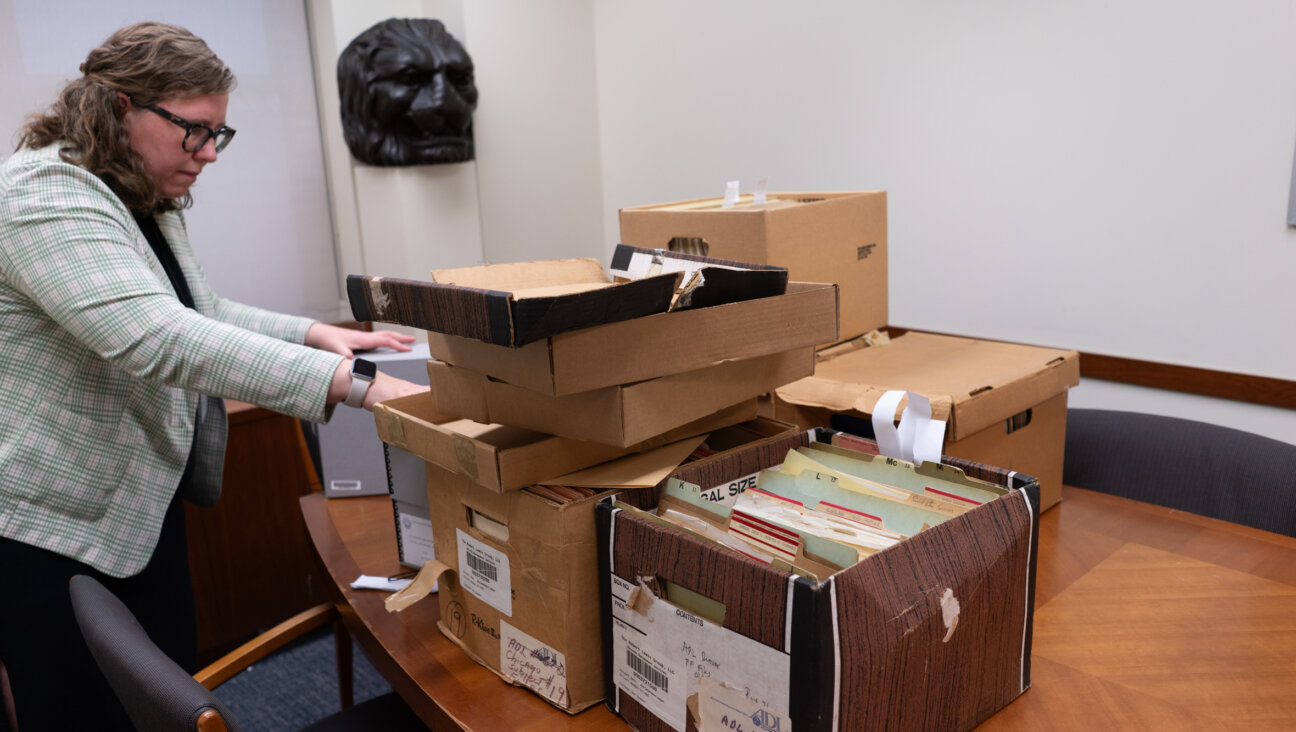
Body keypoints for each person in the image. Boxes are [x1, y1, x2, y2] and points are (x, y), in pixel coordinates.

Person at [0, 22, 425, 731]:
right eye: (194, 131)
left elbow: (199, 308)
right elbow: (151, 334)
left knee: (165, 695)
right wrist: (359, 386)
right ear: (116, 106)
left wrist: (318, 333)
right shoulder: (44, 196)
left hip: (135, 499)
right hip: (59, 524)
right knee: (88, 711)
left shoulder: (134, 192)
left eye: (217, 135)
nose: (208, 155)